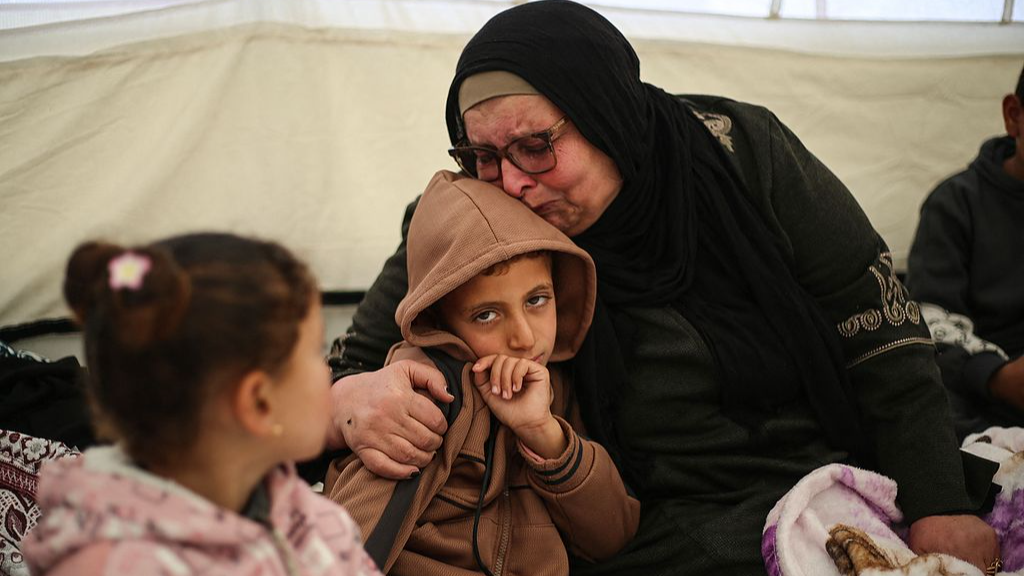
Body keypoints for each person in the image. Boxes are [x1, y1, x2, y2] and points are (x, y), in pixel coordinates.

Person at [323, 1, 1000, 573]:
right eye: (481, 155)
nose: (511, 182)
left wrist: (939, 500)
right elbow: (354, 359)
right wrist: (351, 398)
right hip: (624, 523)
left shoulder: (742, 155)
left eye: (536, 146)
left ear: (608, 114)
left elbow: (877, 323)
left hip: (818, 474)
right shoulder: (473, 215)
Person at [324, 170, 640, 575]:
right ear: (441, 321)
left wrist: (544, 434)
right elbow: (360, 526)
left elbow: (610, 537)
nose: (524, 338)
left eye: (538, 300)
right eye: (487, 315)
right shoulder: (430, 390)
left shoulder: (554, 388)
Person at [23, 234, 381, 576]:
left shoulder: (310, 519)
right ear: (258, 402)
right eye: (316, 353)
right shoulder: (109, 564)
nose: (328, 370)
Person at [906, 64, 1024, 439]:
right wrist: (996, 376)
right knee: (920, 402)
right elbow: (929, 325)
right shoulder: (955, 204)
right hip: (981, 394)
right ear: (1015, 116)